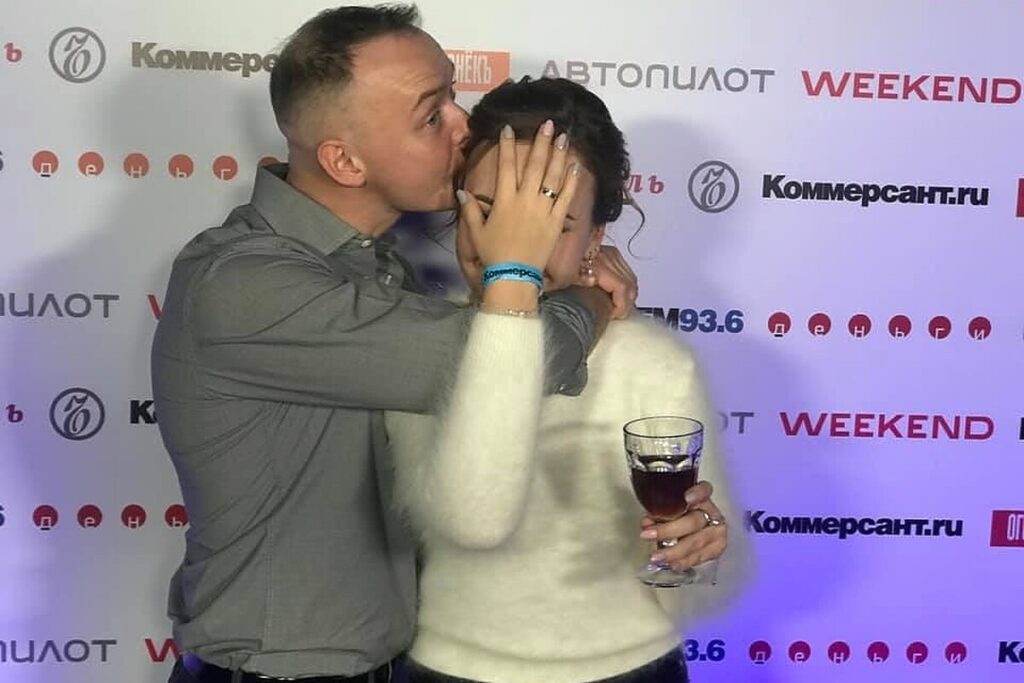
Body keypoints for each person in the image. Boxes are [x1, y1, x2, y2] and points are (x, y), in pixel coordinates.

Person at [151, 6, 640, 682]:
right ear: (344, 160)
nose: (465, 125)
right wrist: (588, 293)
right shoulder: (246, 284)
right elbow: (510, 364)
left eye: (453, 97)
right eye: (432, 115)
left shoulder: (376, 268)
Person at [385, 77, 747, 683]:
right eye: (490, 210)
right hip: (447, 667)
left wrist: (700, 549)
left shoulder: (655, 362)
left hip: (630, 670)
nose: (513, 244)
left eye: (551, 219)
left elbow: (700, 574)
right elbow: (465, 522)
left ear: (595, 237)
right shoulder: (408, 345)